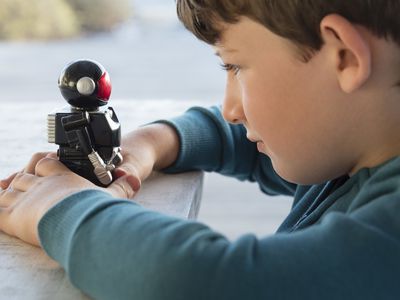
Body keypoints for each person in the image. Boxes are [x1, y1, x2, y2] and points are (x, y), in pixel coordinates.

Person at [1, 0, 400, 298]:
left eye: (236, 66)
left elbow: (202, 280)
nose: (230, 108)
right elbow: (233, 140)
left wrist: (62, 207)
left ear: (344, 57)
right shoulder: (353, 151)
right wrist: (150, 144)